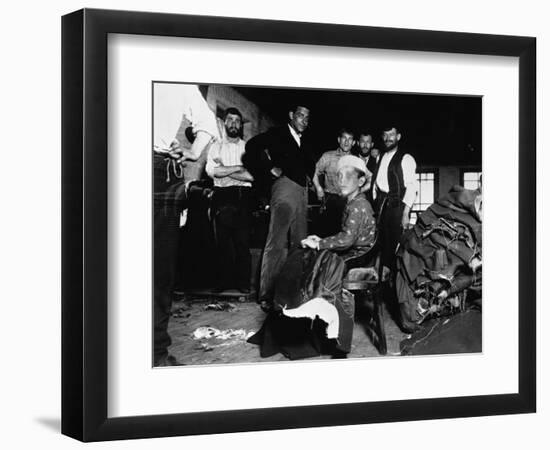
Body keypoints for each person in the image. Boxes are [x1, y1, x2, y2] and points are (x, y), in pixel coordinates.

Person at [248, 155, 376, 359]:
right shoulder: (354, 202)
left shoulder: (359, 206)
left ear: (360, 181)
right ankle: (295, 320)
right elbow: (345, 237)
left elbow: (347, 241)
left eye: (346, 176)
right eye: (338, 176)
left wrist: (319, 243)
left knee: (307, 265)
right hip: (352, 252)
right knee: (304, 259)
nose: (340, 181)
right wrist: (321, 239)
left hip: (356, 258)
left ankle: (308, 325)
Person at [153, 83, 220, 366]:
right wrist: (193, 152)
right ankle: (154, 354)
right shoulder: (175, 80)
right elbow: (207, 124)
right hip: (157, 168)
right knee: (158, 269)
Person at [243, 104, 316, 311]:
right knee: (276, 241)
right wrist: (268, 168)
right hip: (284, 189)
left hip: (302, 192)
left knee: (300, 243)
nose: (304, 120)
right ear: (292, 115)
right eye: (301, 115)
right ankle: (266, 295)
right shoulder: (277, 133)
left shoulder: (303, 141)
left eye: (307, 117)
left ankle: (292, 292)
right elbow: (251, 147)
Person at [205, 107, 254, 293]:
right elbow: (212, 172)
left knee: (242, 243)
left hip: (243, 196)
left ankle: (243, 285)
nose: (234, 123)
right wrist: (238, 168)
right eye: (230, 120)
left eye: (237, 120)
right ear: (224, 123)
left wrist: (226, 168)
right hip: (222, 196)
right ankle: (221, 283)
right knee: (221, 243)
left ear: (241, 125)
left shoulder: (248, 147)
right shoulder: (216, 146)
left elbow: (252, 176)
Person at [371, 125, 418, 273]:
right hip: (381, 207)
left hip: (397, 208)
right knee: (381, 248)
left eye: (391, 134)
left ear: (398, 137)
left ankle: (396, 290)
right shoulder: (380, 157)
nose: (387, 138)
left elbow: (412, 187)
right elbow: (376, 184)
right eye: (385, 135)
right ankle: (382, 287)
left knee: (396, 249)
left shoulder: (406, 158)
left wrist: (405, 214)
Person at [312, 127, 356, 236]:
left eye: (350, 139)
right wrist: (318, 188)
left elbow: (370, 179)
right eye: (344, 138)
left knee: (344, 235)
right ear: (338, 140)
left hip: (348, 201)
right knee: (325, 233)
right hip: (329, 200)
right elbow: (314, 171)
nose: (346, 142)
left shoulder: (356, 160)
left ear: (354, 142)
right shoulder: (328, 156)